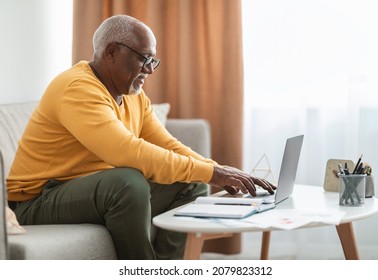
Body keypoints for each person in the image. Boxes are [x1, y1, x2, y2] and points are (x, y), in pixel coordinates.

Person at [6, 15, 276, 260]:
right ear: (111, 51)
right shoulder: (77, 88)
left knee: (191, 184)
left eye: (153, 61)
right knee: (127, 182)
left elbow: (167, 144)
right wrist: (212, 172)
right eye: (144, 59)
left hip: (83, 189)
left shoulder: (133, 96)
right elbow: (126, 151)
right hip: (35, 200)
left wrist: (215, 170)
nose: (150, 69)